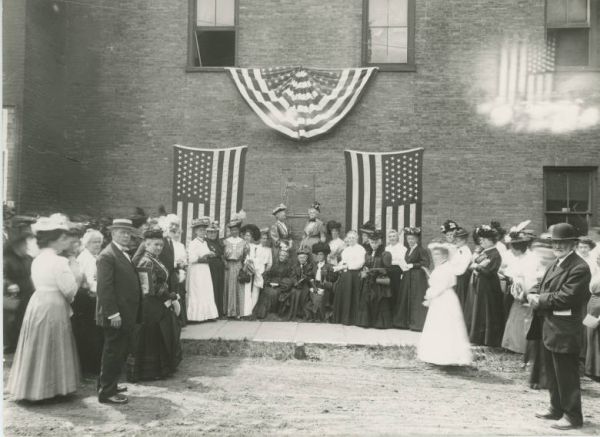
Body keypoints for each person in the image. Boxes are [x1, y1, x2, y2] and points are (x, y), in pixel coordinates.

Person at [7, 216, 82, 401]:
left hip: (38, 301)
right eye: (63, 238)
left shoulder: (38, 259)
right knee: (53, 342)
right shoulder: (59, 262)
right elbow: (70, 289)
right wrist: (77, 274)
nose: (66, 242)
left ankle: (34, 387)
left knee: (38, 342)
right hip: (53, 304)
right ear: (54, 240)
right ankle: (52, 389)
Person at [526, 223, 591, 431]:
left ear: (573, 244)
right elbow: (542, 284)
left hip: (565, 328)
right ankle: (556, 408)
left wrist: (539, 300)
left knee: (566, 374)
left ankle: (573, 416)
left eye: (563, 243)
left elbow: (567, 297)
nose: (558, 246)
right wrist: (532, 292)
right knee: (552, 372)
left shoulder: (579, 267)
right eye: (555, 243)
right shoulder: (556, 262)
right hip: (550, 325)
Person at [96, 218, 143, 405]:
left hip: (125, 312)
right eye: (121, 232)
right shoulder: (107, 256)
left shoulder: (122, 253)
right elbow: (104, 289)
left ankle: (110, 384)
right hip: (115, 314)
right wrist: (113, 313)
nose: (126, 235)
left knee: (117, 351)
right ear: (112, 233)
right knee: (113, 352)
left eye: (128, 232)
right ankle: (107, 392)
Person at [129, 229, 182, 381]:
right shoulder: (146, 261)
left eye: (160, 245)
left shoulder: (154, 259)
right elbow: (148, 287)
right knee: (152, 336)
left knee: (161, 334)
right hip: (150, 304)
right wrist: (169, 295)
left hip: (158, 303)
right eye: (155, 245)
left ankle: (161, 368)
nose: (158, 248)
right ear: (146, 245)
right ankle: (150, 372)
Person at [418, 242, 472, 366]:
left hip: (444, 298)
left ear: (445, 255)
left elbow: (442, 285)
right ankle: (435, 354)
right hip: (439, 298)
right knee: (437, 325)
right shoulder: (441, 267)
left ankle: (447, 356)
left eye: (438, 254)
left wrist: (430, 294)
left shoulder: (447, 267)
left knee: (445, 325)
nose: (435, 256)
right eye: (434, 254)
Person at [501, 225, 538, 357]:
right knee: (515, 317)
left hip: (526, 290)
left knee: (525, 318)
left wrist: (525, 294)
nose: (512, 251)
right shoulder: (517, 258)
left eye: (514, 248)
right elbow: (509, 270)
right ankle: (512, 345)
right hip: (517, 289)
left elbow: (531, 278)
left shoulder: (531, 259)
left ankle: (523, 347)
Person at [73, 229, 105, 375]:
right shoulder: (86, 258)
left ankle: (93, 364)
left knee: (95, 333)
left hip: (94, 297)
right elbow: (89, 281)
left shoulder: (95, 256)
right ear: (86, 244)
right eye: (94, 242)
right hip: (87, 299)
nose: (97, 244)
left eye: (99, 242)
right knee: (90, 334)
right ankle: (89, 367)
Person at [467, 224, 504, 347]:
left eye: (483, 239)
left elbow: (490, 272)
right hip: (481, 284)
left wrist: (477, 267)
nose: (480, 241)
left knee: (487, 310)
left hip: (489, 286)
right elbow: (474, 263)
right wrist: (477, 265)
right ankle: (478, 337)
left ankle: (488, 339)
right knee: (480, 309)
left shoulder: (495, 254)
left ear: (490, 240)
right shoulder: (485, 252)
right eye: (480, 239)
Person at [392, 227, 430, 331]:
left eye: (412, 239)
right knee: (406, 297)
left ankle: (417, 324)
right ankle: (405, 323)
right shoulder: (408, 250)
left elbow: (425, 263)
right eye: (409, 239)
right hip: (408, 277)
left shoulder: (421, 250)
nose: (410, 241)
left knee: (416, 299)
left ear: (417, 239)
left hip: (417, 278)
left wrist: (413, 265)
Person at [3, 229, 34, 354]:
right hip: (14, 297)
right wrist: (9, 284)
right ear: (16, 245)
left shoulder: (29, 258)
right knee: (14, 322)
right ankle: (12, 346)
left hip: (29, 295)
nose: (27, 246)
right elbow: (3, 277)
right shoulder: (6, 259)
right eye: (24, 244)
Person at [186, 217, 219, 322]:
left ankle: (208, 315)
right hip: (197, 270)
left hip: (205, 270)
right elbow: (192, 259)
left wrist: (210, 255)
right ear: (195, 231)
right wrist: (205, 255)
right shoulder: (193, 243)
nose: (203, 232)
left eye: (204, 230)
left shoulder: (204, 243)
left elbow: (206, 255)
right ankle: (196, 316)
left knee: (206, 290)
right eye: (200, 230)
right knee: (198, 291)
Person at [358, 231, 393, 329]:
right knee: (366, 300)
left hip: (379, 282)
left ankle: (380, 323)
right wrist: (364, 271)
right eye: (372, 242)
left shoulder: (386, 254)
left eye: (376, 242)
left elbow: (387, 269)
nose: (373, 245)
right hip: (368, 281)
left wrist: (372, 271)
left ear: (380, 242)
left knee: (379, 300)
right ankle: (366, 322)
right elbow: (365, 265)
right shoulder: (367, 254)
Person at [332, 230, 366, 325]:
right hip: (345, 275)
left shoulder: (360, 249)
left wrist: (347, 266)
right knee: (344, 295)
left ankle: (352, 319)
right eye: (349, 238)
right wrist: (338, 266)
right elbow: (343, 261)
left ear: (357, 239)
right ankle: (342, 318)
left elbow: (360, 263)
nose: (351, 239)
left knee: (353, 295)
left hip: (354, 275)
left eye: (353, 238)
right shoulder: (346, 250)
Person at [254, 248, 294, 319]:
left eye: (284, 256)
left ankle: (271, 312)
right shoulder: (274, 264)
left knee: (273, 293)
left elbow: (290, 278)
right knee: (266, 291)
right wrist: (268, 282)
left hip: (281, 285)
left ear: (286, 257)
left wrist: (281, 284)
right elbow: (268, 274)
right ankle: (261, 313)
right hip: (271, 283)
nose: (282, 257)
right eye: (281, 255)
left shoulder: (289, 266)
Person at [281, 247, 314, 320]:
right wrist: (295, 282)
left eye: (303, 258)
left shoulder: (310, 266)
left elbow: (309, 276)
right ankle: (292, 313)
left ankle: (302, 313)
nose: (301, 259)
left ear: (306, 258)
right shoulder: (295, 266)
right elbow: (293, 275)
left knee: (303, 293)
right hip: (296, 284)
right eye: (300, 258)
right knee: (293, 292)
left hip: (306, 284)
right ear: (298, 258)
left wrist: (304, 278)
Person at [306, 242, 337, 321]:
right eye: (318, 255)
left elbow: (333, 279)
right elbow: (309, 276)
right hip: (314, 285)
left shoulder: (329, 266)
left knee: (319, 298)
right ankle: (313, 316)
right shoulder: (313, 265)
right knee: (310, 296)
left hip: (325, 287)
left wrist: (326, 276)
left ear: (325, 255)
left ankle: (319, 317)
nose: (319, 256)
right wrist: (312, 286)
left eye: (321, 255)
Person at [224, 211, 247, 317]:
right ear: (230, 231)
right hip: (228, 266)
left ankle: (238, 312)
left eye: (236, 230)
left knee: (238, 288)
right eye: (232, 230)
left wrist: (243, 266)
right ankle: (228, 311)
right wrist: (225, 263)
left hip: (238, 266)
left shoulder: (243, 242)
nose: (234, 232)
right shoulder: (225, 242)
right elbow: (222, 255)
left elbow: (246, 256)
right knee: (228, 287)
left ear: (238, 230)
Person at [239, 224, 262, 317]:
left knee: (249, 290)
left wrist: (251, 262)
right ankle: (240, 310)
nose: (247, 237)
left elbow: (256, 258)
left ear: (252, 237)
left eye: (249, 236)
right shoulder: (241, 245)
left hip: (249, 270)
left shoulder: (253, 247)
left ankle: (248, 310)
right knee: (241, 291)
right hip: (240, 269)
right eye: (246, 235)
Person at [206, 221, 225, 317]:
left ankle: (219, 311)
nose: (213, 234)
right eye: (210, 232)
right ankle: (213, 312)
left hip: (219, 268)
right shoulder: (205, 242)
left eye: (214, 232)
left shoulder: (219, 243)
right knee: (212, 289)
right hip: (210, 268)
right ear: (207, 233)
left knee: (219, 288)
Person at [451, 228, 472, 313]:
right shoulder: (458, 250)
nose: (457, 241)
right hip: (457, 277)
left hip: (462, 278)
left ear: (464, 240)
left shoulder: (466, 251)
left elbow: (462, 269)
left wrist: (453, 271)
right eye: (456, 239)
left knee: (461, 298)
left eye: (459, 239)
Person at [385, 229, 406, 310]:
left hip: (397, 271)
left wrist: (393, 261)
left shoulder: (402, 248)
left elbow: (401, 260)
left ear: (397, 237)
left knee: (396, 291)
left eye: (394, 236)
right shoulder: (387, 248)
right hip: (388, 271)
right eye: (390, 237)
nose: (392, 238)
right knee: (388, 291)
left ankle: (397, 313)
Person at [585, 274, 600, 381]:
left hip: (598, 305)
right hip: (592, 303)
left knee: (598, 339)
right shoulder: (596, 272)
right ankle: (591, 368)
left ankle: (597, 370)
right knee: (590, 337)